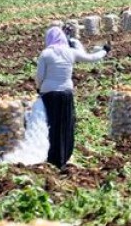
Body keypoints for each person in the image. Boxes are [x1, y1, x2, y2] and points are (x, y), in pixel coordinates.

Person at [36, 27, 109, 169]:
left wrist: (39, 88)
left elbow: (39, 76)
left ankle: (50, 156)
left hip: (49, 94)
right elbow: (91, 58)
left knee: (50, 125)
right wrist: (104, 50)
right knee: (65, 124)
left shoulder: (45, 54)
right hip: (66, 93)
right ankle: (63, 157)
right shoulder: (70, 52)